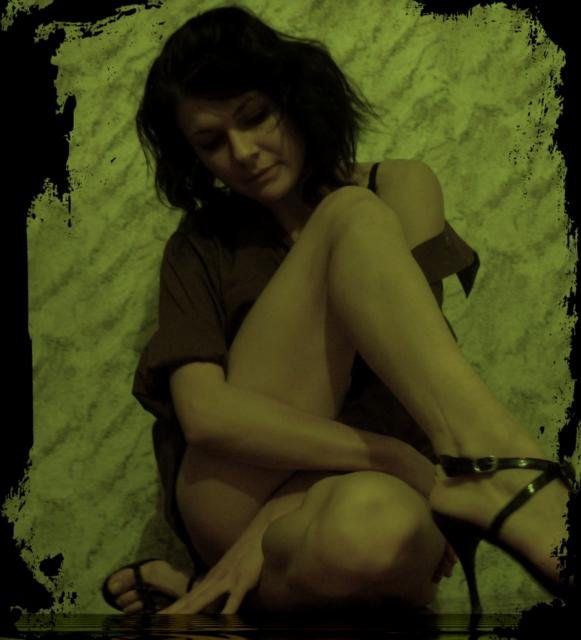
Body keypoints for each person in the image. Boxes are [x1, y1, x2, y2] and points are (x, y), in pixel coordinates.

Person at [101, 5, 574, 616]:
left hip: (360, 490)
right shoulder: (201, 242)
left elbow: (403, 389)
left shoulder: (397, 188)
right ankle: (502, 476)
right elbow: (207, 417)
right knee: (347, 213)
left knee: (373, 532)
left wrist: (294, 508)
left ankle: (216, 594)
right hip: (240, 492)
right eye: (212, 143)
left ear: (293, 97)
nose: (242, 152)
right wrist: (393, 458)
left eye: (255, 116)